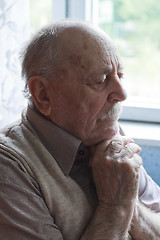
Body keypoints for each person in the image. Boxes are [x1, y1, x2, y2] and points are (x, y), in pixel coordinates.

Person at [0, 20, 160, 240]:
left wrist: (130, 203)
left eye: (120, 76)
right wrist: (116, 206)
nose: (122, 93)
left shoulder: (105, 133)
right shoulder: (10, 169)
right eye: (101, 80)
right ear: (43, 94)